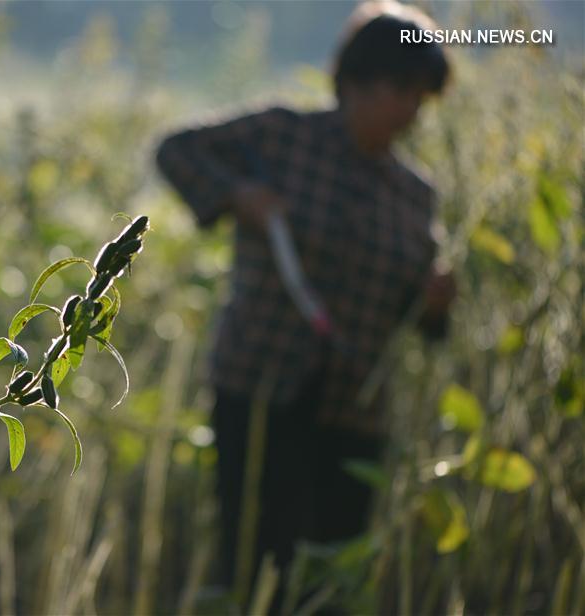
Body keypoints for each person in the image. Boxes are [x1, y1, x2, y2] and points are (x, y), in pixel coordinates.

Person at [154, 0, 456, 608]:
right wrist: (239, 196)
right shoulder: (281, 136)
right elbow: (176, 150)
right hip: (261, 389)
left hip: (354, 412)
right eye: (400, 91)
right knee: (256, 557)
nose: (408, 111)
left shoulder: (414, 195)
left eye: (419, 98)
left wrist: (433, 305)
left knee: (331, 571)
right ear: (354, 82)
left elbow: (419, 320)